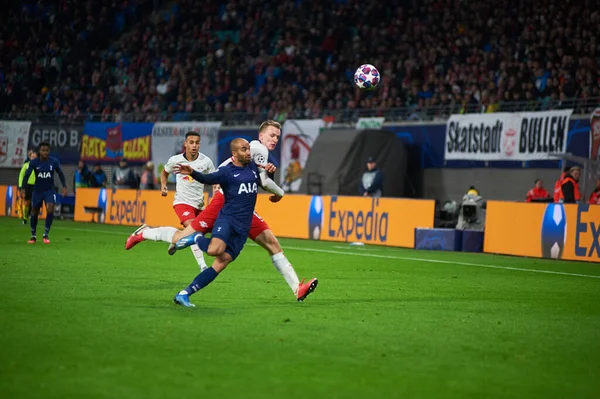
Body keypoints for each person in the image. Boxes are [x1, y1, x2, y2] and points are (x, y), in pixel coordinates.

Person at [126, 120, 318, 302]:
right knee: (182, 238)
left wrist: (270, 173)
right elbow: (264, 183)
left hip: (243, 208)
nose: (275, 139)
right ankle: (144, 233)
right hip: (223, 202)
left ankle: (297, 288)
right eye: (272, 135)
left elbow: (259, 179)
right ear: (261, 135)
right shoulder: (258, 148)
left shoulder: (256, 153)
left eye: (278, 136)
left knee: (271, 243)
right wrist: (280, 193)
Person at [172, 138, 268, 307]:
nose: (248, 153)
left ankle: (184, 294)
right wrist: (192, 172)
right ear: (234, 154)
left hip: (243, 228)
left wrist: (271, 172)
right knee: (215, 250)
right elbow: (208, 178)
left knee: (221, 262)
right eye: (244, 150)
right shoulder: (227, 171)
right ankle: (196, 238)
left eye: (249, 149)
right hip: (228, 220)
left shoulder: (253, 168)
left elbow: (265, 182)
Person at [163, 131, 215, 270]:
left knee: (200, 232)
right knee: (193, 231)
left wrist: (216, 193)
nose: (194, 146)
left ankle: (176, 239)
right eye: (191, 142)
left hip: (199, 204)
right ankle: (203, 266)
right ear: (185, 144)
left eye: (197, 143)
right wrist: (164, 186)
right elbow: (165, 171)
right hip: (182, 202)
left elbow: (215, 180)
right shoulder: (176, 160)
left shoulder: (206, 161)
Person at [20, 142, 67, 244]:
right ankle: (33, 236)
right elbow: (26, 175)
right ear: (39, 151)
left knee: (50, 208)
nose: (45, 152)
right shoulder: (34, 163)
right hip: (37, 191)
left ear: (49, 151)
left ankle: (46, 234)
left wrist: (64, 186)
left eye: (47, 150)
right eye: (43, 150)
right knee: (34, 212)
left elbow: (60, 173)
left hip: (49, 190)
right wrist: (23, 188)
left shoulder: (53, 162)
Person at [17, 150, 37, 224]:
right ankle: (25, 217)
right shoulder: (26, 165)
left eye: (35, 157)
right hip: (27, 185)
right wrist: (20, 186)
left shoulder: (39, 166)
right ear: (30, 157)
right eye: (32, 157)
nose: (33, 158)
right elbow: (21, 175)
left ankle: (33, 217)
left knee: (35, 202)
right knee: (27, 202)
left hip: (36, 185)